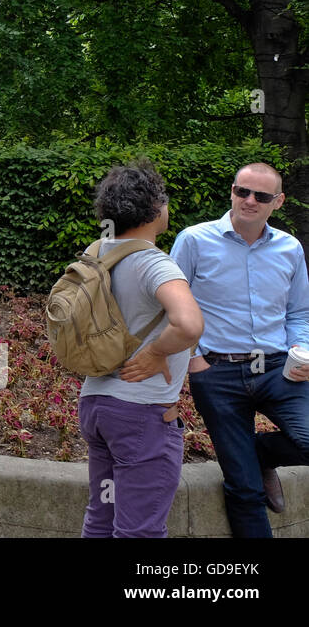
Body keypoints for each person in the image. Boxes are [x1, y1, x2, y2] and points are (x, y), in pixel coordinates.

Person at [170, 162, 309, 537]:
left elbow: (299, 312)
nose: (249, 201)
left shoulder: (289, 248)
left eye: (261, 196)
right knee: (244, 488)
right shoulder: (194, 240)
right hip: (217, 373)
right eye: (241, 191)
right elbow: (171, 305)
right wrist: (194, 359)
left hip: (278, 368)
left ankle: (259, 453)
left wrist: (302, 348)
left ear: (277, 201)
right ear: (232, 191)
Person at [76, 164, 203, 537]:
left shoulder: (97, 252)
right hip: (141, 415)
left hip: (97, 406)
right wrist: (157, 353)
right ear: (155, 208)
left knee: (102, 517)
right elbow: (189, 324)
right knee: (140, 531)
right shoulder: (153, 263)